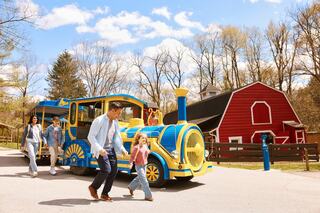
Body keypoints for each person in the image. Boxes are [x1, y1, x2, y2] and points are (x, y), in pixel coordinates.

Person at [87, 102, 128, 201]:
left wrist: (122, 149)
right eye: (118, 113)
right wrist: (99, 149)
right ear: (112, 110)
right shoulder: (99, 120)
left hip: (111, 150)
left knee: (113, 171)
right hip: (101, 150)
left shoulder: (115, 122)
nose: (119, 115)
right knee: (106, 170)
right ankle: (93, 187)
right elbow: (90, 136)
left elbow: (117, 138)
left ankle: (105, 194)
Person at [128, 133, 153, 201]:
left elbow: (147, 152)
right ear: (138, 139)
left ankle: (131, 187)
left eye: (145, 138)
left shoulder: (145, 146)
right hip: (138, 166)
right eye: (142, 138)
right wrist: (130, 163)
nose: (144, 139)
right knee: (144, 180)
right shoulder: (136, 147)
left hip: (144, 165)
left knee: (140, 178)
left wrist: (148, 151)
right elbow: (132, 156)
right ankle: (148, 196)